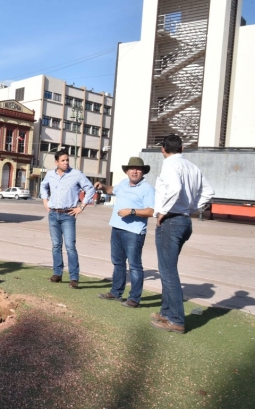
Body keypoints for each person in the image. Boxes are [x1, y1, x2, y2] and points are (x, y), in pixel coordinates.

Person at [152, 134, 214, 334]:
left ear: (163, 149)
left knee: (168, 271)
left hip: (171, 221)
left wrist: (164, 211)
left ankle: (176, 319)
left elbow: (175, 188)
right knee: (167, 269)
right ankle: (166, 312)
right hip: (184, 220)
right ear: (182, 148)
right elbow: (209, 192)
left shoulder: (170, 165)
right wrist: (192, 207)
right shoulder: (192, 167)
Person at [95, 157, 155, 308]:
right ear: (127, 171)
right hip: (117, 228)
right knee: (118, 263)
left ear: (143, 172)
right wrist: (102, 186)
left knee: (134, 266)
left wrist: (132, 211)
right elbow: (111, 190)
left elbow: (151, 211)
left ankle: (134, 299)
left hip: (134, 233)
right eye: (132, 168)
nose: (135, 171)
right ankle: (116, 292)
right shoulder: (123, 183)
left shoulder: (147, 189)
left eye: (138, 169)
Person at [40, 149, 95, 289]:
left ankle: (74, 278)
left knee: (70, 246)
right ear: (56, 162)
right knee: (56, 245)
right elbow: (43, 186)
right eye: (63, 160)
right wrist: (45, 201)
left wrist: (81, 207)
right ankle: (57, 273)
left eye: (67, 160)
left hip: (68, 215)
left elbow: (90, 189)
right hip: (53, 214)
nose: (66, 162)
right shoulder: (50, 175)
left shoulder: (76, 174)